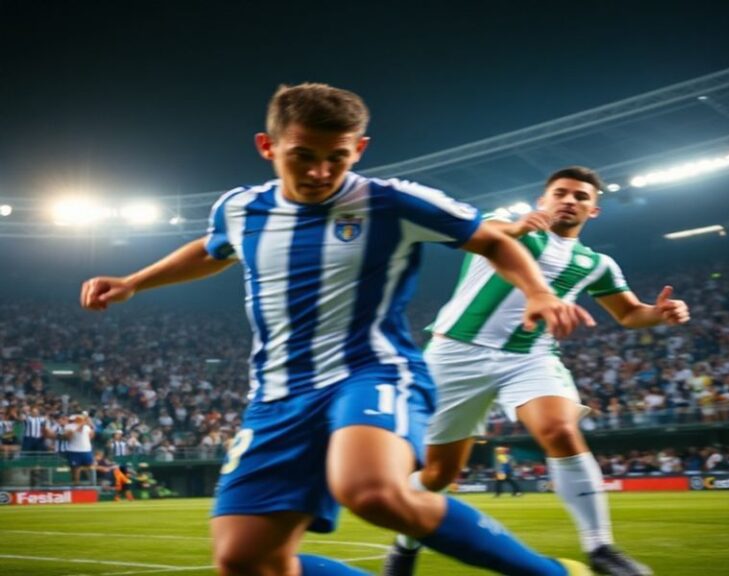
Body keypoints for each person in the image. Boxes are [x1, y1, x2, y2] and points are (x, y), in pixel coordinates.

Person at [81, 83, 595, 576]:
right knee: (245, 561)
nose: (320, 171)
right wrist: (133, 282)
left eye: (338, 157)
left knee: (371, 490)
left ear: (360, 149)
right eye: (303, 155)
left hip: (372, 372)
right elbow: (213, 249)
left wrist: (538, 291)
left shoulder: (393, 202)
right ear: (267, 146)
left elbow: (494, 241)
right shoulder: (240, 208)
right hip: (278, 395)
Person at [384, 166, 690, 576]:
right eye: (560, 193)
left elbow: (629, 313)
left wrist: (660, 313)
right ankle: (405, 545)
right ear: (542, 200)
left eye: (581, 197)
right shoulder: (502, 226)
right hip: (455, 354)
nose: (570, 200)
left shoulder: (597, 263)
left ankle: (600, 547)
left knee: (560, 430)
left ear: (593, 210)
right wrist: (515, 228)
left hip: (529, 356)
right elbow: (486, 235)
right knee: (438, 474)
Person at [64, 413, 96, 485]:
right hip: (74, 450)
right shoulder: (69, 426)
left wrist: (92, 426)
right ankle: (76, 483)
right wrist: (80, 425)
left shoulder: (87, 427)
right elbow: (68, 437)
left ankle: (92, 483)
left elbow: (91, 436)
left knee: (90, 467)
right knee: (75, 468)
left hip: (86, 450)